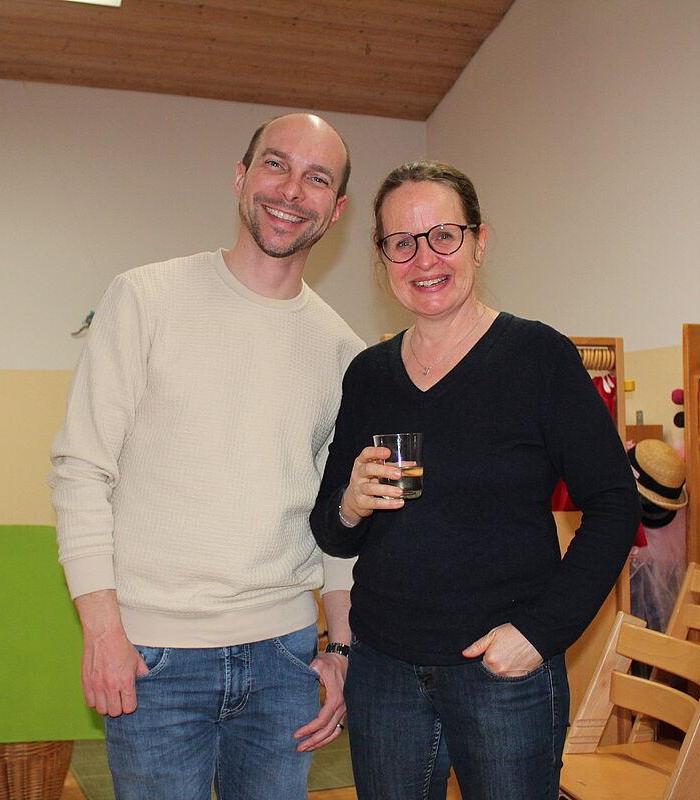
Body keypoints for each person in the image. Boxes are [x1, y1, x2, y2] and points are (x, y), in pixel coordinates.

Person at [49, 112, 364, 800]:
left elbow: (341, 518)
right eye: (276, 164)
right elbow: (81, 470)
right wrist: (101, 630)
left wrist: (341, 648)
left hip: (286, 660)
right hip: (153, 658)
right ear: (241, 176)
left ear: (336, 209)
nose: (292, 190)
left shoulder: (344, 351)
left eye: (317, 178)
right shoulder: (145, 298)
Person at [309, 161, 640, 799]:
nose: (424, 258)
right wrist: (349, 504)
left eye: (444, 235)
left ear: (479, 242)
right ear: (382, 258)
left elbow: (614, 505)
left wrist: (540, 634)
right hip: (383, 672)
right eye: (401, 242)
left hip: (501, 672)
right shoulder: (369, 375)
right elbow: (333, 532)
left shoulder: (538, 356)